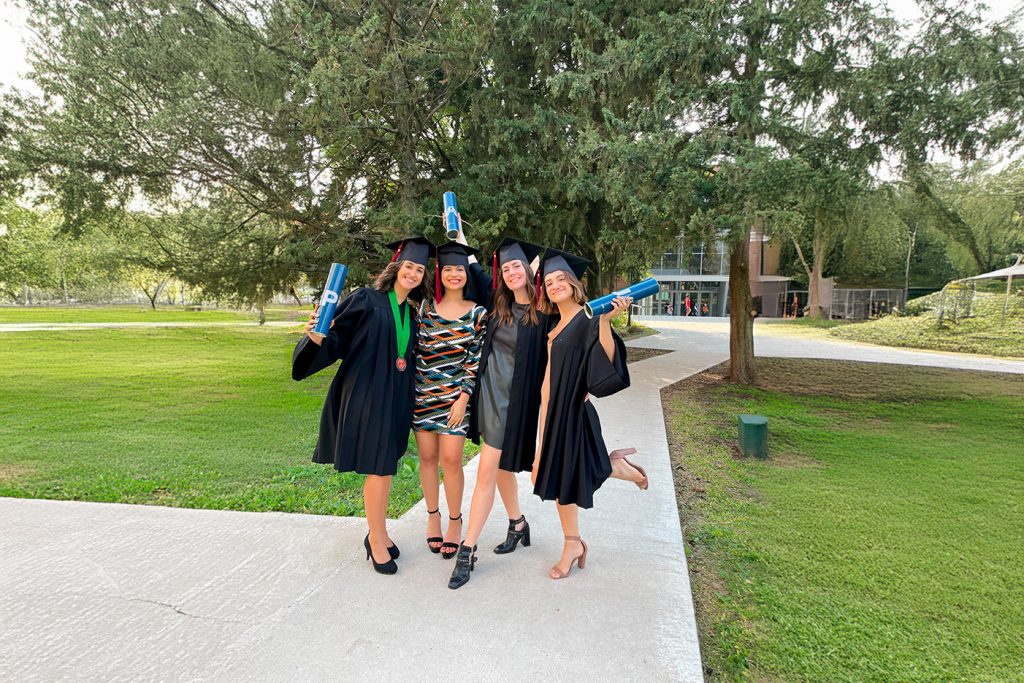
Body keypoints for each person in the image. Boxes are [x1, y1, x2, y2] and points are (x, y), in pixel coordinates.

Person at [291, 237, 432, 575]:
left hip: (395, 397)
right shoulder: (367, 300)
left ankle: (378, 532)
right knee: (379, 467)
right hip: (368, 394)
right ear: (396, 268)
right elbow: (336, 337)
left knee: (385, 466)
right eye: (409, 266)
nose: (413, 273)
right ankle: (376, 537)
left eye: (420, 270)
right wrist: (316, 336)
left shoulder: (410, 314)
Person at [531, 248, 648, 580]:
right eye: (548, 282)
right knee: (557, 480)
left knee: (564, 480)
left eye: (560, 279)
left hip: (575, 413)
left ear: (573, 283)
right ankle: (614, 469)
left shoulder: (589, 317)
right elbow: (546, 386)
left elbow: (607, 364)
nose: (554, 285)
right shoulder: (553, 324)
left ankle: (573, 542)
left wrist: (606, 322)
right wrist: (540, 442)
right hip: (554, 414)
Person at [448, 236, 550, 590]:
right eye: (505, 268)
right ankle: (518, 524)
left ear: (528, 270)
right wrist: (460, 239)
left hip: (515, 402)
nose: (510, 273)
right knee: (499, 466)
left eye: (516, 266)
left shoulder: (546, 312)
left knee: (487, 472)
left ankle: (468, 550)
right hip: (488, 396)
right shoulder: (497, 301)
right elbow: (474, 268)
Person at [413, 242, 487, 559]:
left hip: (456, 399)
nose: (454, 274)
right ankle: (433, 517)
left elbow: (475, 359)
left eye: (459, 269)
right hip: (423, 396)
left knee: (451, 461)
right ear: (439, 274)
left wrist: (463, 398)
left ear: (466, 273)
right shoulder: (424, 310)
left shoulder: (477, 313)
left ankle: (455, 522)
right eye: (448, 269)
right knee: (428, 459)